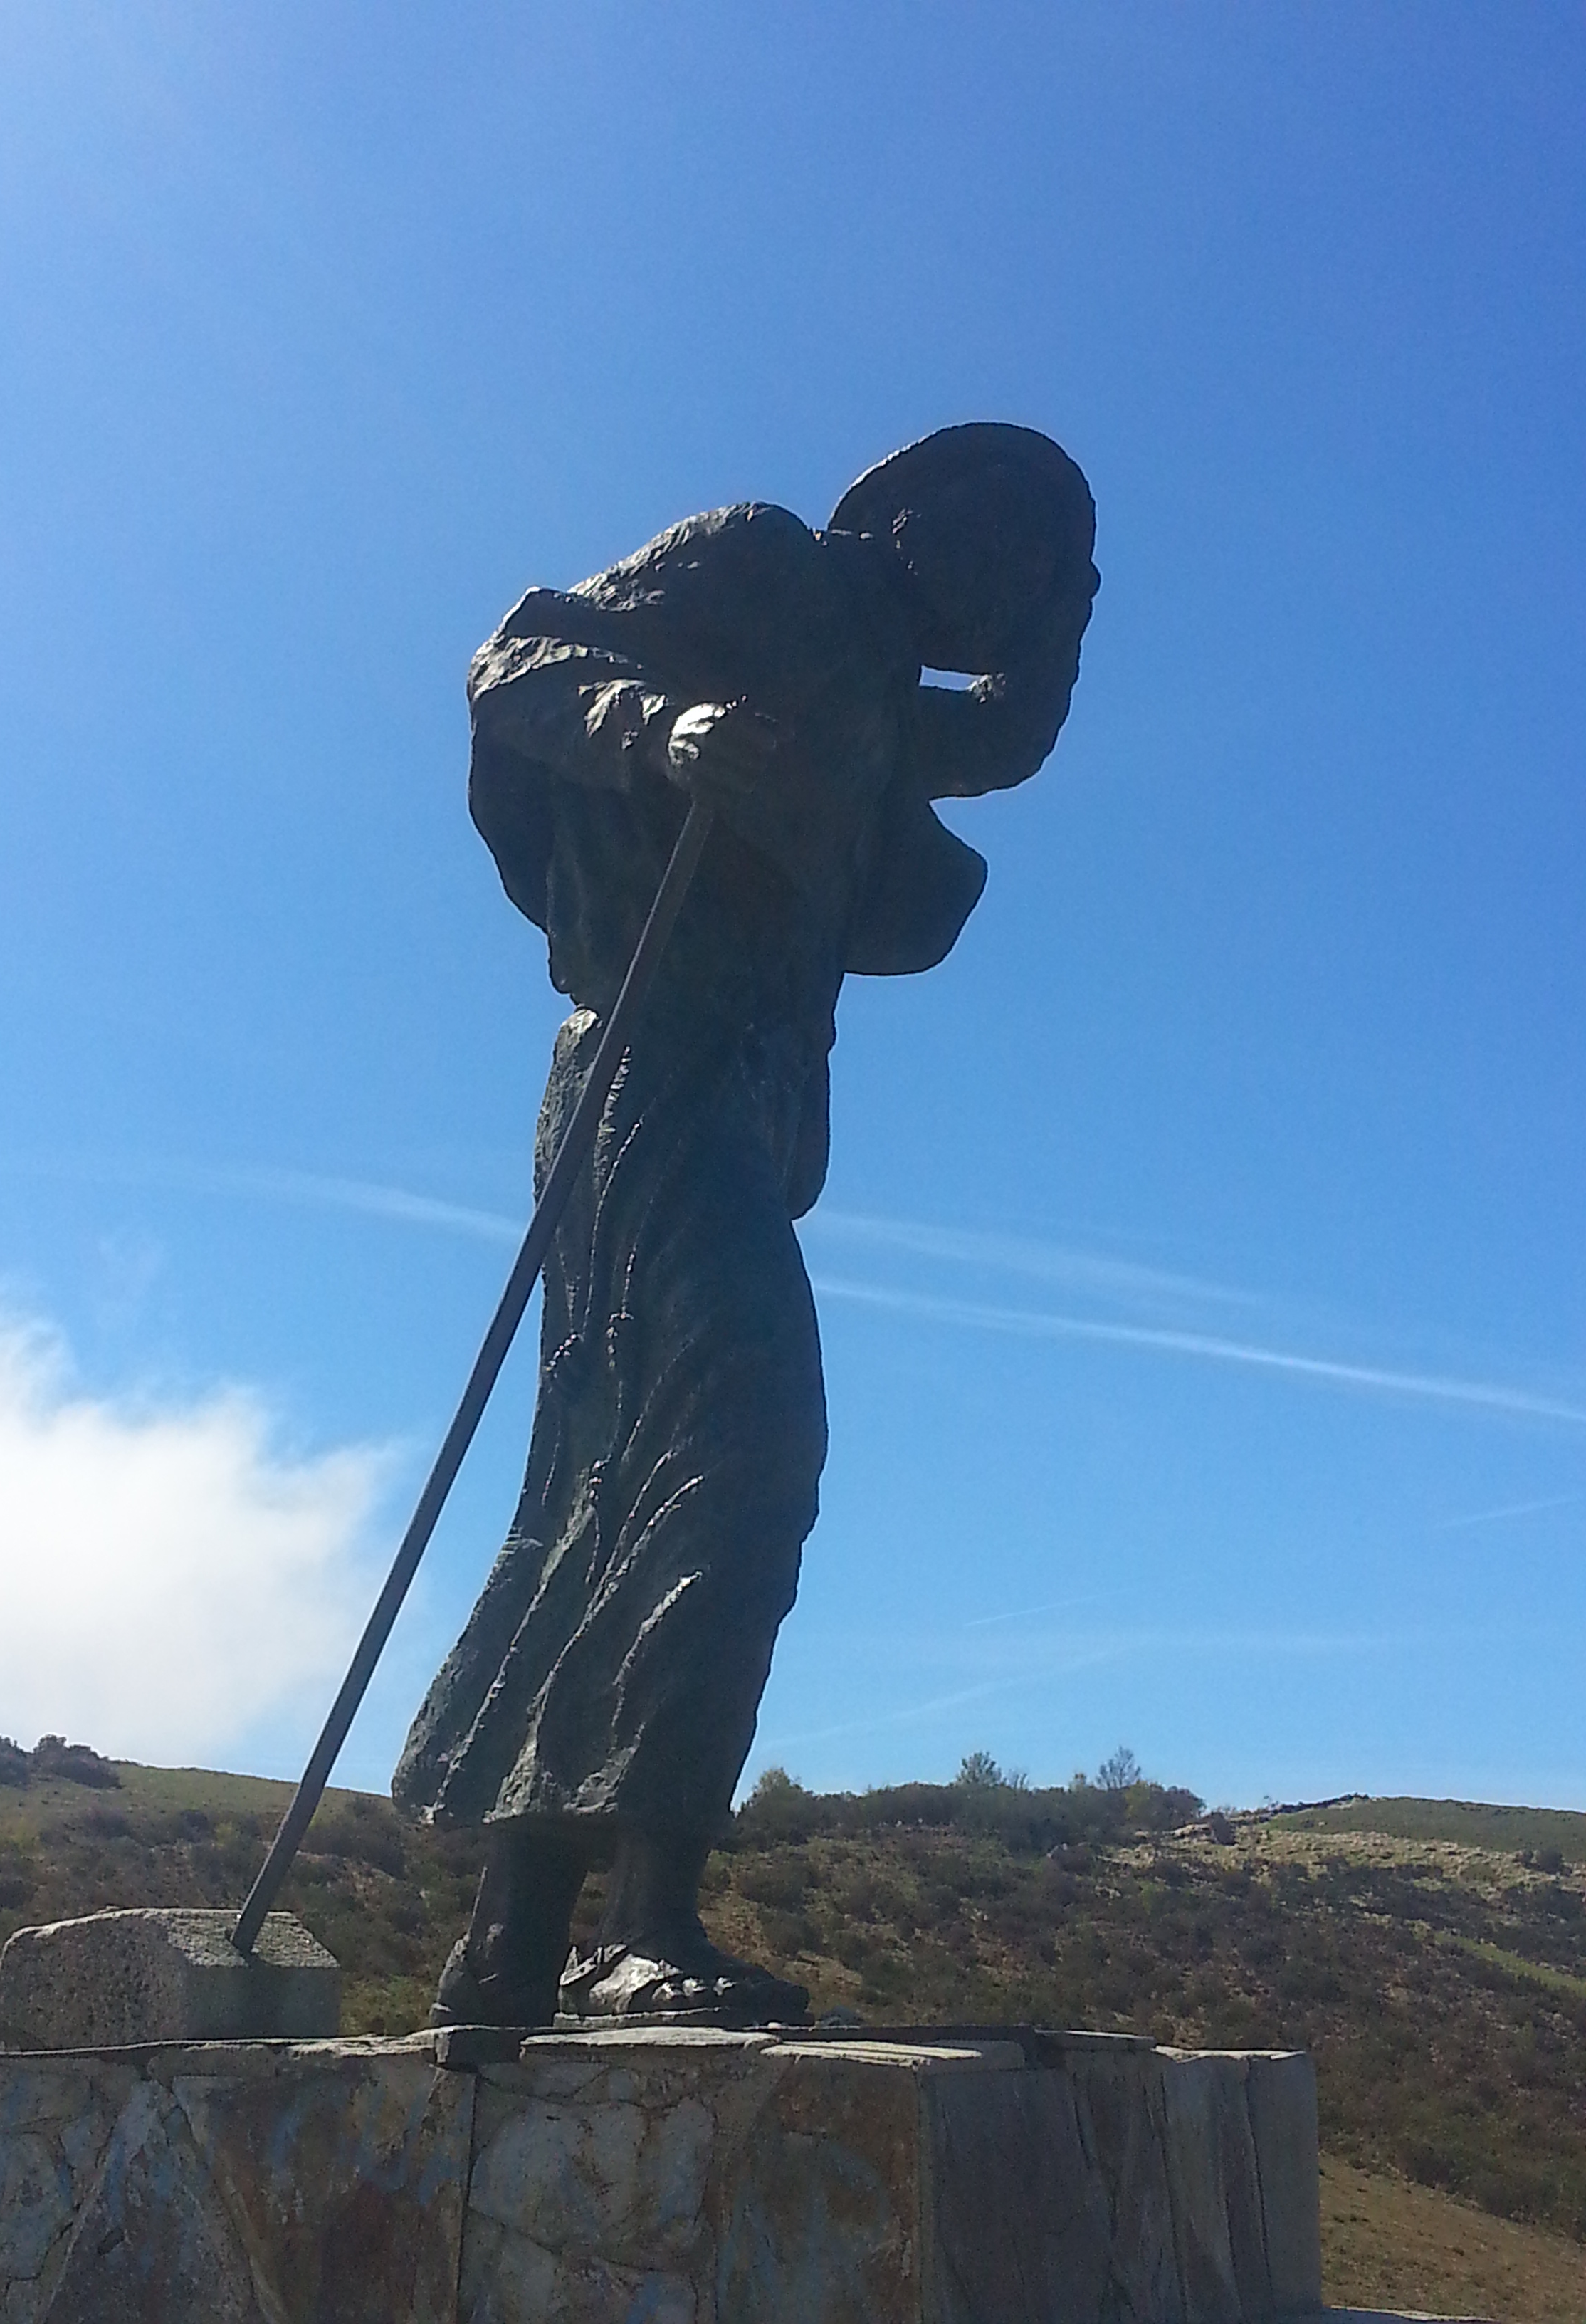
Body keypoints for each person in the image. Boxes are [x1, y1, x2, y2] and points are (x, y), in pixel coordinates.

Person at [392, 422, 1099, 2026]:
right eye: (1006, 546)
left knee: (620, 1476)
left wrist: (1071, 608)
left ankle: (512, 1940)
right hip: (646, 1070)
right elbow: (516, 663)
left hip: (741, 1105)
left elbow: (1001, 743)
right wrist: (664, 726)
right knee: (746, 1445)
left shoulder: (882, 701)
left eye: (1034, 578)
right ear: (919, 519)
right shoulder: (767, 563)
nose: (1009, 590)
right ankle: (639, 1921)